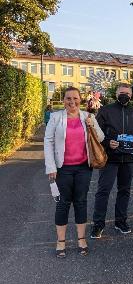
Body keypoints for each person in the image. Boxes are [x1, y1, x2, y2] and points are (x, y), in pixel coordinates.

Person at [44, 87, 104, 258]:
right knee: (63, 203)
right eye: (68, 98)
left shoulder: (88, 116)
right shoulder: (56, 117)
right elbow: (48, 141)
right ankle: (60, 241)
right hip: (62, 168)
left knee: (81, 202)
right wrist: (51, 167)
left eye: (75, 98)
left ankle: (81, 239)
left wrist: (92, 126)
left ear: (81, 99)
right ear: (63, 100)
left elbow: (100, 138)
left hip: (83, 168)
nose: (72, 102)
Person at [91, 83, 133, 238]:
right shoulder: (105, 110)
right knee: (103, 191)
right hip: (110, 158)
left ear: (131, 95)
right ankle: (98, 224)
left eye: (127, 93)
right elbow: (96, 132)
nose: (125, 95)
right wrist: (107, 142)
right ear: (116, 94)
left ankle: (120, 221)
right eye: (122, 92)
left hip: (129, 159)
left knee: (125, 191)